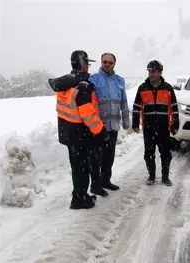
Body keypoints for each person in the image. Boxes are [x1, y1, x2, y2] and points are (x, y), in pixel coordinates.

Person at [48, 50, 110, 209]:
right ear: (83, 65)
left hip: (69, 133)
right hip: (80, 135)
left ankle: (79, 194)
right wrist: (101, 131)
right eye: (87, 64)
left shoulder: (65, 84)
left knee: (77, 167)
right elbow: (87, 114)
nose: (88, 67)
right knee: (82, 169)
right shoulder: (82, 86)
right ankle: (80, 199)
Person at [132, 60, 179, 186]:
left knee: (165, 153)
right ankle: (151, 176)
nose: (151, 74)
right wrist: (135, 123)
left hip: (164, 127)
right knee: (149, 153)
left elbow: (174, 107)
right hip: (149, 127)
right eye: (149, 71)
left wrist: (175, 124)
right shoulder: (142, 88)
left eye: (154, 71)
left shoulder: (168, 88)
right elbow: (136, 106)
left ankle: (165, 177)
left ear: (160, 72)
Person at [89, 53, 129, 191]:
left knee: (109, 157)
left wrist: (126, 120)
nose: (107, 64)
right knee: (97, 158)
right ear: (101, 62)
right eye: (104, 62)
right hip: (99, 127)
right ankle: (96, 184)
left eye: (110, 63)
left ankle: (106, 180)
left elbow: (123, 102)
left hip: (113, 127)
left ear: (114, 64)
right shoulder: (93, 80)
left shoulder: (119, 81)